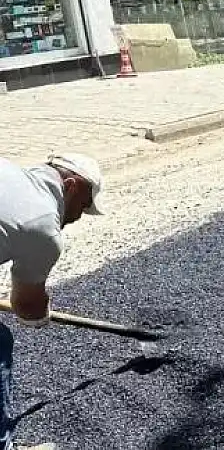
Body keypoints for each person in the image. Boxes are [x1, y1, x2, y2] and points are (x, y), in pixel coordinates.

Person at [0, 153, 104, 450]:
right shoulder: (44, 226)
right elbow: (27, 308)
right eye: (83, 205)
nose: (80, 215)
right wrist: (39, 312)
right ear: (70, 185)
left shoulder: (7, 169)